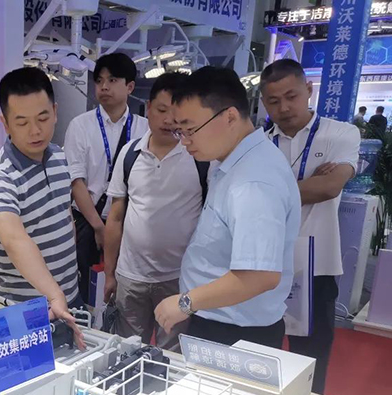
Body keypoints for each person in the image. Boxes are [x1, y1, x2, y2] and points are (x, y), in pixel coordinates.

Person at [154, 67, 301, 349]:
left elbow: (259, 275)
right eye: (180, 131)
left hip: (234, 331)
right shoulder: (232, 160)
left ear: (230, 116)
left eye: (190, 130)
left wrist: (186, 302)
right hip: (219, 318)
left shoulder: (253, 181)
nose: (185, 142)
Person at [260, 59, 360, 394]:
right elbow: (246, 197)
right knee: (262, 354)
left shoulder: (340, 133)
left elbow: (329, 187)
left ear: (308, 90)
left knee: (310, 360)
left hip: (317, 267)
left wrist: (271, 189)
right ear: (264, 103)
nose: (284, 108)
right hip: (264, 265)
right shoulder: (258, 143)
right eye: (274, 101)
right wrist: (306, 184)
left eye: (292, 97)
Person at [0, 67, 84, 345]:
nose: (36, 131)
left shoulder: (60, 157)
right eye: (22, 122)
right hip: (23, 310)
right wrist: (53, 294)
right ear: (5, 123)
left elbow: (64, 218)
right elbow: (14, 240)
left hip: (70, 298)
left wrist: (65, 289)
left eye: (43, 118)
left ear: (55, 112)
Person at [103, 72, 202, 350]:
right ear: (148, 108)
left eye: (177, 113)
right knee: (128, 349)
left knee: (174, 353)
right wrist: (110, 273)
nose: (169, 120)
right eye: (161, 110)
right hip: (131, 276)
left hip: (179, 278)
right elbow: (115, 218)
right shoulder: (130, 154)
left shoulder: (199, 156)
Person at [64, 53, 149, 303]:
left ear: (129, 87)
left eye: (112, 80)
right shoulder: (80, 125)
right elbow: (76, 181)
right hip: (87, 220)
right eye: (99, 80)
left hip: (129, 223)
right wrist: (99, 228)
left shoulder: (144, 129)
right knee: (84, 288)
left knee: (124, 288)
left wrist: (112, 230)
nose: (104, 87)